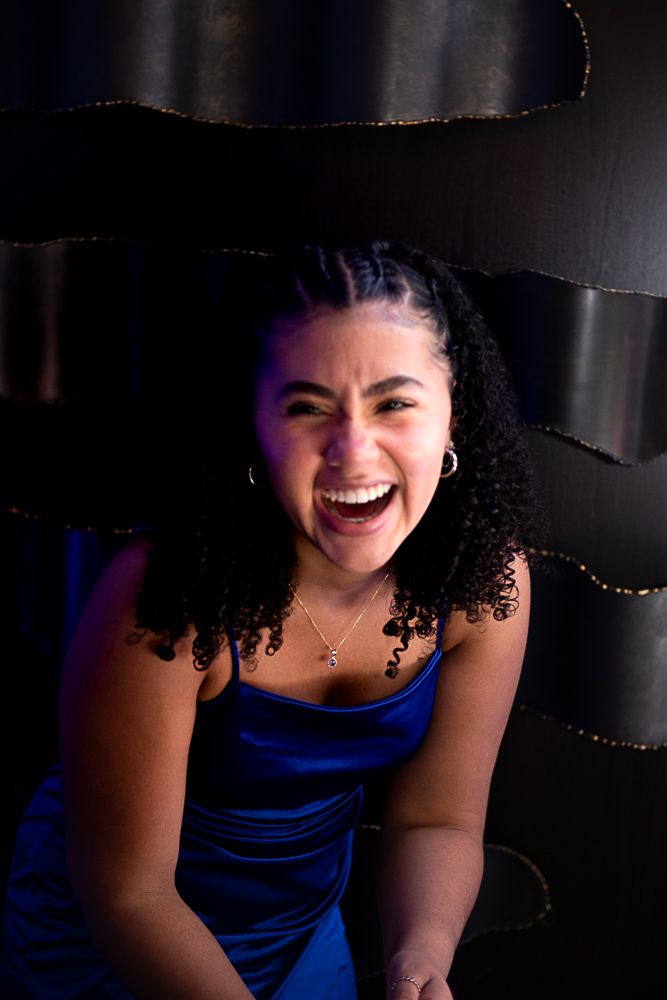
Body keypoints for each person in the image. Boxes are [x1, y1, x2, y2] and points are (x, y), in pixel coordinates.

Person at [1, 241, 534, 999]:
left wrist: (421, 958)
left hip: (300, 934)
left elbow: (438, 819)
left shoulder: (482, 584)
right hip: (110, 939)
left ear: (454, 416)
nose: (353, 450)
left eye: (394, 402)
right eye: (307, 406)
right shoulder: (165, 599)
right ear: (251, 427)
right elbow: (129, 892)